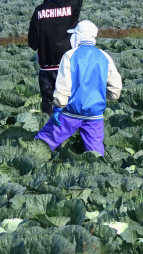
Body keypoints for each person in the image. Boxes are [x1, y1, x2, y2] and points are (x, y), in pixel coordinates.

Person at [33, 21, 122, 156]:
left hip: (71, 112)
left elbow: (64, 85)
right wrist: (106, 96)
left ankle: (32, 159)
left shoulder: (70, 55)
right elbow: (115, 87)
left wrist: (58, 107)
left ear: (79, 35)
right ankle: (98, 173)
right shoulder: (104, 56)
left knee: (44, 141)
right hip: (95, 113)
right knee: (95, 152)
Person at [27, 0, 83, 115]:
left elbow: (32, 43)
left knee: (49, 107)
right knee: (71, 105)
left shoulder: (39, 10)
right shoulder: (73, 5)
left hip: (47, 68)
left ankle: (49, 135)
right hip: (68, 66)